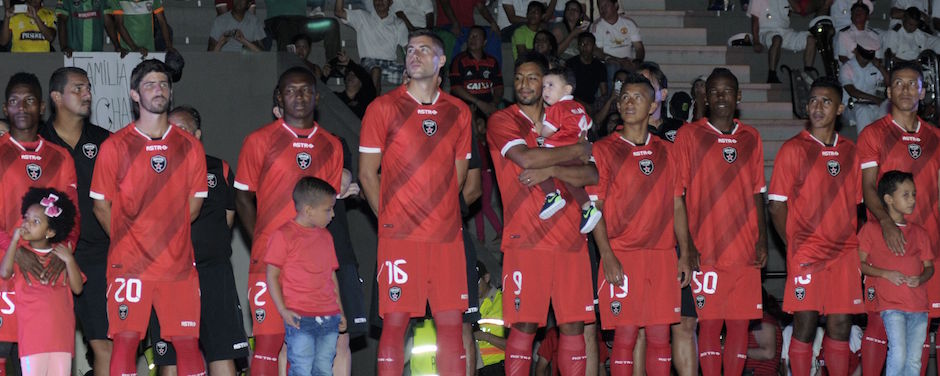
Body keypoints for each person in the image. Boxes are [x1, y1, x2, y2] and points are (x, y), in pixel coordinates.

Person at [358, 29, 472, 376]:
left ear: (440, 62)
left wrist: (438, 217)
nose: (414, 54)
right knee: (395, 322)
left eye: (424, 49)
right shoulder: (383, 108)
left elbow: (459, 178)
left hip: (446, 237)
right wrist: (390, 221)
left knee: (452, 324)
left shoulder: (459, 111)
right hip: (400, 237)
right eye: (410, 49)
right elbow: (366, 174)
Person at [90, 59, 208, 376]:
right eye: (150, 85)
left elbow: (193, 206)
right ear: (134, 94)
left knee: (187, 343)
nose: (159, 90)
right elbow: (101, 207)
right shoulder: (114, 147)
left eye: (164, 84)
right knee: (126, 342)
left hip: (178, 266)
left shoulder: (190, 147)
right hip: (129, 266)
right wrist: (131, 244)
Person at [486, 51, 596, 376]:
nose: (524, 84)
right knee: (524, 325)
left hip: (570, 238)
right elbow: (526, 160)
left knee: (574, 326)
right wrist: (576, 150)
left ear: (547, 80)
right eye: (518, 77)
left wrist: (561, 165)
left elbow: (592, 174)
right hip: (526, 239)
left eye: (532, 77)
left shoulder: (565, 116)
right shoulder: (503, 120)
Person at [234, 66, 345, 376]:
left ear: (317, 97)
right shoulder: (259, 140)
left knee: (317, 349)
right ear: (279, 97)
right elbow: (242, 196)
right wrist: (262, 241)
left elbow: (328, 207)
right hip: (271, 261)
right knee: (269, 341)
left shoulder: (332, 145)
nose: (299, 96)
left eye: (306, 90)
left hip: (313, 268)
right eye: (291, 91)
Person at [588, 72, 691, 375]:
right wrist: (607, 255)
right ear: (618, 105)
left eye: (638, 97)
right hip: (622, 255)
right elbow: (595, 208)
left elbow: (677, 204)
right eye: (625, 97)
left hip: (662, 256)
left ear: (652, 106)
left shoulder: (668, 151)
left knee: (660, 338)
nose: (630, 102)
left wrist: (684, 253)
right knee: (625, 336)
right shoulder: (604, 149)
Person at [673, 68, 767, 376]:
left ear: (738, 96)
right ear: (706, 97)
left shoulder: (751, 137)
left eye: (727, 91)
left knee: (739, 326)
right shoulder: (689, 135)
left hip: (744, 248)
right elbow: (679, 194)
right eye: (714, 92)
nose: (721, 96)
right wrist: (687, 246)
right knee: (710, 325)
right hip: (706, 247)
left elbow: (757, 192)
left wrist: (762, 239)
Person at [768, 76, 863, 376]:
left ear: (840, 109)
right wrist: (793, 246)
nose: (817, 107)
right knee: (805, 323)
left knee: (840, 325)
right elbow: (776, 205)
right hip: (807, 253)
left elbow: (856, 206)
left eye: (826, 101)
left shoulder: (851, 151)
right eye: (813, 101)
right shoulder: (792, 149)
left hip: (843, 255)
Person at [146, 106, 250, 376]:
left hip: (214, 274)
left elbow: (228, 219)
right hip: (170, 276)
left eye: (183, 130)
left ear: (197, 134)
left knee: (222, 350)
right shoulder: (151, 168)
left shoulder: (219, 168)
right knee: (170, 357)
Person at [857, 62, 940, 376]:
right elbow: (868, 187)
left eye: (912, 84)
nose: (906, 90)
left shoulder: (935, 136)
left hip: (928, 243)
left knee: (922, 322)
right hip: (887, 242)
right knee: (882, 322)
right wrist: (887, 224)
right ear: (889, 91)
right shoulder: (873, 134)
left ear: (922, 90)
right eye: (899, 84)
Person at [0, 72, 81, 374]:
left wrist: (64, 252)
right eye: (14, 101)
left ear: (42, 107)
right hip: (6, 270)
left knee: (43, 362)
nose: (21, 107)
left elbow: (73, 216)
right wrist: (15, 250)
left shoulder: (60, 157)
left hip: (47, 278)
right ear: (5, 108)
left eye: (29, 100)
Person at [39, 67, 113, 376]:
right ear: (56, 97)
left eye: (89, 88)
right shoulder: (39, 141)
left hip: (98, 256)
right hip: (49, 256)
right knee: (47, 346)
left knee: (104, 345)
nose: (88, 94)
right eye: (78, 88)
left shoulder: (106, 141)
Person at [265, 177, 346, 376]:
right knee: (301, 368)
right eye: (328, 209)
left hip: (329, 316)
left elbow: (332, 277)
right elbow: (272, 275)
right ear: (309, 210)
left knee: (324, 369)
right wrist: (283, 310)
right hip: (300, 317)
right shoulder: (283, 235)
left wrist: (340, 311)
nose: (333, 214)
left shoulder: (327, 237)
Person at [859, 171, 934, 376]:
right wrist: (885, 274)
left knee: (913, 361)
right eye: (906, 194)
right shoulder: (871, 229)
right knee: (899, 354)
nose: (912, 200)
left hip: (919, 306)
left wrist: (921, 278)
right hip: (891, 306)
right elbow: (859, 263)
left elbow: (929, 267)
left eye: (914, 194)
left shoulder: (920, 232)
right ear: (889, 199)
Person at [0, 188, 81, 376]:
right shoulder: (21, 256)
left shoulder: (61, 257)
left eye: (35, 221)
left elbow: (77, 289)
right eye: (26, 218)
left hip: (61, 339)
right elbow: (4, 273)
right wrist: (13, 242)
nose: (27, 224)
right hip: (32, 340)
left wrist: (69, 260)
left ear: (50, 231)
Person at [538, 67, 601, 233]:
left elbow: (546, 132)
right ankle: (588, 207)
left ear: (567, 89)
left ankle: (551, 195)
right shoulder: (579, 107)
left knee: (537, 165)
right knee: (572, 182)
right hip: (578, 153)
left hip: (560, 151)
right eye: (544, 86)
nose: (546, 90)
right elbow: (588, 125)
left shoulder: (557, 108)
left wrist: (539, 133)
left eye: (551, 85)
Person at [335, 0, 408, 92]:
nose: (379, 2)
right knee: (376, 70)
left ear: (391, 2)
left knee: (414, 75)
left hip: (390, 65)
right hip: (369, 63)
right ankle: (374, 105)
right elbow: (339, 12)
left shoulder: (398, 23)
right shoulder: (362, 16)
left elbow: (408, 48)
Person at [748, 0, 818, 83]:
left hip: (785, 32)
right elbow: (755, 20)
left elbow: (798, 10)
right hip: (766, 31)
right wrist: (756, 41)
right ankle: (772, 74)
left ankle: (808, 74)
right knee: (777, 39)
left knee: (810, 39)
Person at [449, 25, 504, 119]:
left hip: (488, 103)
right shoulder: (458, 60)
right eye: (470, 36)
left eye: (476, 36)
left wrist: (494, 103)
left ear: (484, 42)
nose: (472, 39)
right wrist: (479, 103)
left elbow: (499, 87)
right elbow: (456, 88)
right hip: (466, 103)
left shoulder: (492, 61)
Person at [838, 35, 887, 132]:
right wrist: (875, 99)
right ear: (856, 51)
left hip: (873, 105)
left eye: (868, 57)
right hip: (851, 107)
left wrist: (880, 67)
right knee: (863, 111)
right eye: (863, 56)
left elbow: (890, 83)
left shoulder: (874, 67)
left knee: (887, 110)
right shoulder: (847, 67)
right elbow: (853, 92)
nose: (865, 60)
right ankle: (864, 145)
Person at [591, 0, 644, 83]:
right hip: (609, 62)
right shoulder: (597, 26)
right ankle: (613, 95)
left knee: (652, 67)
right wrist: (620, 61)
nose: (602, 9)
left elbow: (639, 48)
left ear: (616, 5)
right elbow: (597, 52)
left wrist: (637, 62)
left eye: (606, 5)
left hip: (629, 62)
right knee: (612, 67)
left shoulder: (629, 23)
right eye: (600, 7)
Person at [263, 0, 341, 56]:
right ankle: (286, 69)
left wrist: (317, 11)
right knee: (284, 27)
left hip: (302, 24)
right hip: (278, 21)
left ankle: (333, 65)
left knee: (331, 24)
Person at [55, 0, 122, 57]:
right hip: (73, 53)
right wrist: (64, 47)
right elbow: (61, 21)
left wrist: (117, 46)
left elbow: (108, 22)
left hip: (96, 52)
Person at [474, 261, 506, 375]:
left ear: (486, 277)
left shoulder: (504, 303)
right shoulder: (466, 307)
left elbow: (516, 346)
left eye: (476, 282)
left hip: (498, 369)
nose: (472, 287)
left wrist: (485, 337)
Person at [110, 0, 174, 55]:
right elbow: (119, 24)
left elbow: (162, 22)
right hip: (126, 51)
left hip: (149, 50)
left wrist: (169, 46)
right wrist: (134, 48)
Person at [566, 32, 607, 107]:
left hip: (592, 104)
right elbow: (566, 90)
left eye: (588, 44)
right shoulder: (570, 64)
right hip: (573, 102)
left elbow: (604, 92)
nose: (585, 46)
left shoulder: (600, 66)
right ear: (578, 46)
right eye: (582, 44)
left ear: (594, 46)